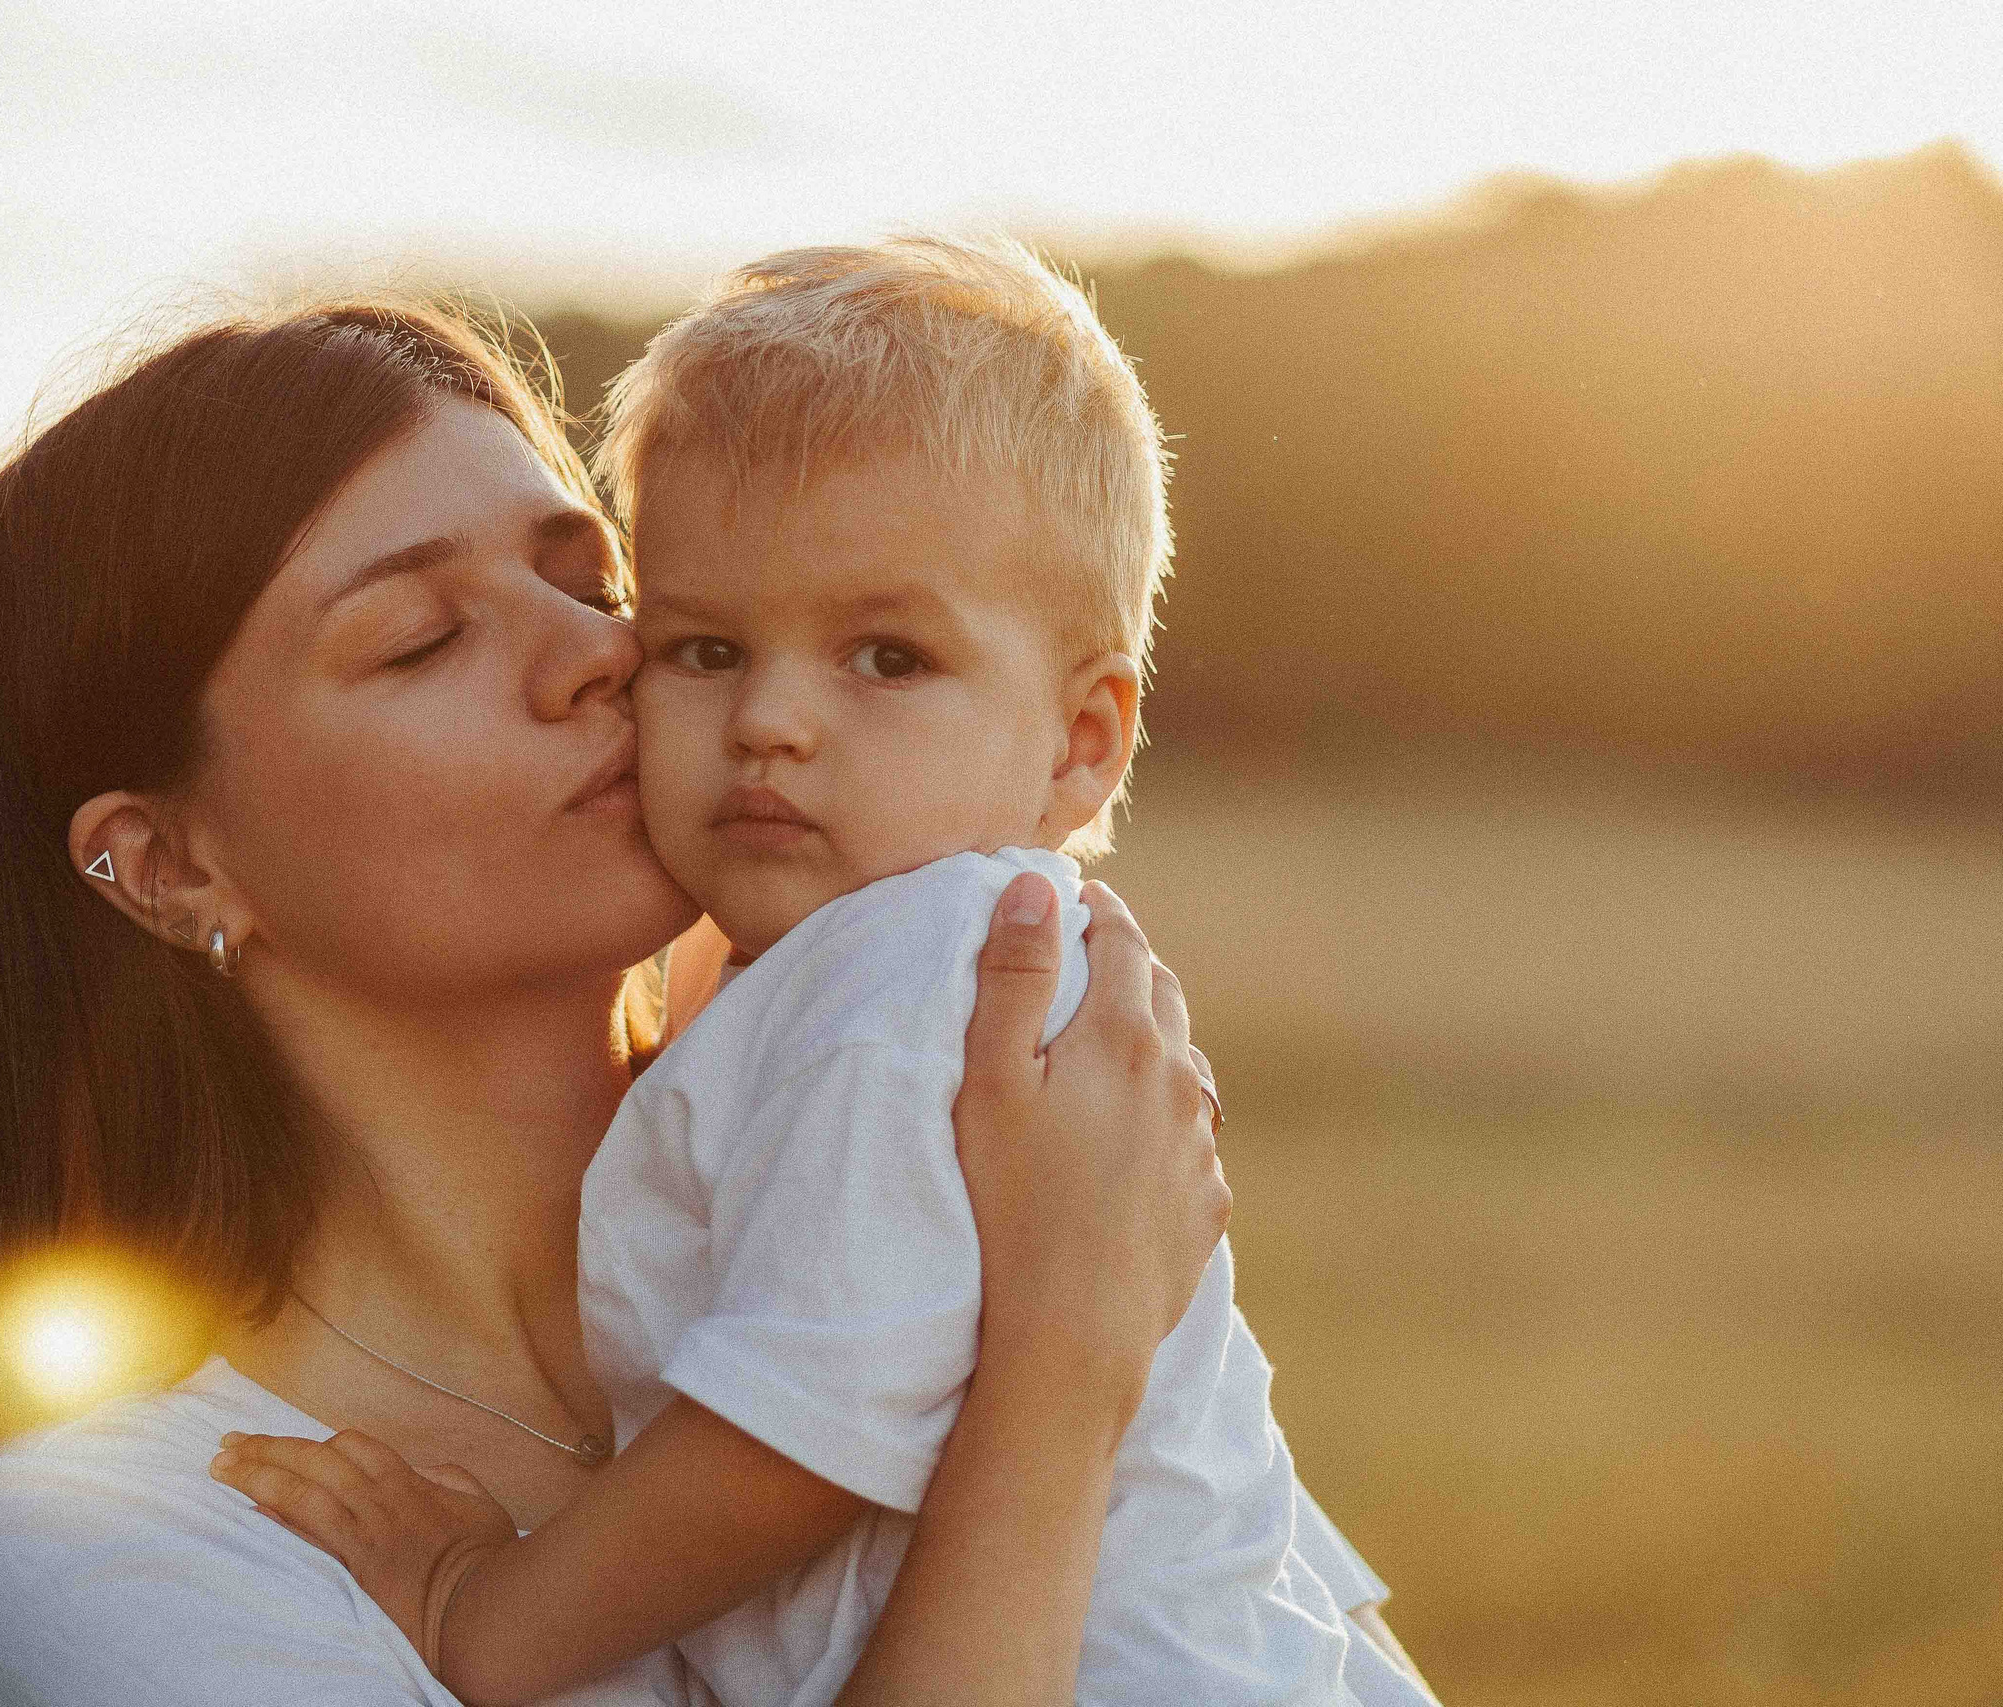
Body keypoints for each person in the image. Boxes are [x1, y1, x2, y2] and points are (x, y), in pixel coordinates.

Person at [0, 296, 1234, 1704]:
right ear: (171, 865)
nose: (599, 656)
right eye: (425, 636)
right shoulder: (102, 1546)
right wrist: (1057, 1377)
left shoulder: (940, 1148)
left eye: (600, 585)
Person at [210, 240, 1436, 1707]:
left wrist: (487, 1608)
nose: (773, 720)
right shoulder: (837, 979)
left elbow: (807, 1427)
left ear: (1083, 740)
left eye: (888, 659)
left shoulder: (925, 978)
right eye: (706, 647)